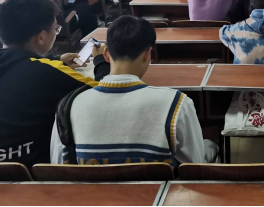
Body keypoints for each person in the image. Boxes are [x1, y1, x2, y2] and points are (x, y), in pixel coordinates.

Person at [50, 16, 217, 166]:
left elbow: (59, 168)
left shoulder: (68, 108)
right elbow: (194, 168)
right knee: (210, 146)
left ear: (106, 54)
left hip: (91, 191)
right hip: (157, 190)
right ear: (147, 54)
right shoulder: (177, 104)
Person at [0, 0, 102, 169]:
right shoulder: (51, 73)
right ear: (41, 37)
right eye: (56, 29)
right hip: (35, 175)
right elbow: (106, 93)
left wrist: (55, 60)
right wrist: (100, 62)